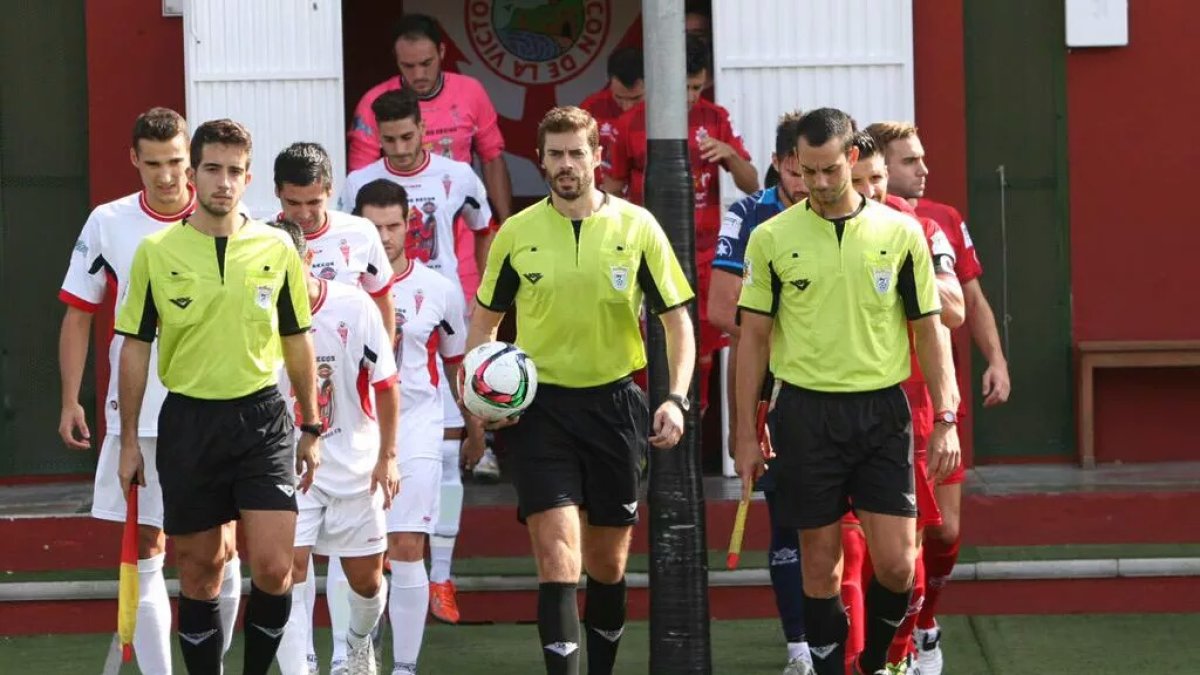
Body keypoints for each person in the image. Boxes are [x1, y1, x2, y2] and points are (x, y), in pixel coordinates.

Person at [468, 106, 695, 675]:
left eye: (577, 153)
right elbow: (484, 327)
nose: (566, 165)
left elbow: (678, 323)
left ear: (598, 157)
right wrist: (481, 403)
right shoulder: (516, 234)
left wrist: (676, 397)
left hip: (617, 407)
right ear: (541, 161)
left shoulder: (638, 226)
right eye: (555, 155)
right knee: (557, 558)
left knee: (607, 565)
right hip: (540, 412)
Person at [734, 108, 960, 675]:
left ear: (852, 158)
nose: (817, 182)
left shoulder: (900, 231)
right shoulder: (770, 238)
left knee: (898, 567)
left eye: (829, 169)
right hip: (804, 415)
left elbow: (931, 333)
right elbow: (753, 339)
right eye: (806, 172)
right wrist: (743, 435)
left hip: (883, 413)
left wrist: (948, 416)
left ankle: (878, 663)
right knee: (821, 569)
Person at [115, 118, 320, 675]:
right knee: (201, 570)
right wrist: (128, 441)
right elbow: (133, 349)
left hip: (263, 420)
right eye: (212, 169)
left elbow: (297, 337)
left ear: (248, 177)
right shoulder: (156, 252)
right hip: (189, 422)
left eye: (234, 171)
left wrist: (312, 425)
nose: (223, 182)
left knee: (277, 569)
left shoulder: (277, 248)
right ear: (192, 173)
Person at [341, 88, 493, 624]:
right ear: (375, 138)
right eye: (389, 140)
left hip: (437, 316)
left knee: (449, 467)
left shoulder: (457, 175)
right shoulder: (356, 187)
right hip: (378, 327)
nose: (401, 149)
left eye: (409, 137)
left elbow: (482, 230)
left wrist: (478, 294)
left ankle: (441, 575)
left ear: (424, 130)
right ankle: (379, 584)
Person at [58, 107, 200, 675]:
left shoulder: (227, 216)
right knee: (146, 546)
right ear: (134, 161)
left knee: (214, 551)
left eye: (177, 163)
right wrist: (71, 398)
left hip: (216, 407)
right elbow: (78, 313)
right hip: (138, 413)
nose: (167, 176)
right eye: (155, 164)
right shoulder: (108, 222)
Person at [867, 121, 1012, 675]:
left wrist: (995, 359)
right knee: (896, 539)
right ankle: (889, 645)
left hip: (935, 399)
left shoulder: (943, 220)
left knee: (945, 532)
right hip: (877, 402)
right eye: (908, 161)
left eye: (921, 158)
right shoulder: (853, 225)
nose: (922, 169)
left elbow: (968, 300)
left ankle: (923, 620)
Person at [273, 141, 397, 672]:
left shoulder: (358, 246)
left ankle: (356, 644)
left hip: (353, 438)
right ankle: (299, 663)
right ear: (277, 197)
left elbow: (382, 311)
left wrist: (373, 372)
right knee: (288, 567)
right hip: (285, 448)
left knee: (366, 578)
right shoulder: (258, 243)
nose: (304, 213)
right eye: (293, 203)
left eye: (314, 203)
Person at [846, 131, 965, 673]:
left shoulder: (920, 226)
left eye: (876, 179)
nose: (870, 190)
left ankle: (901, 652)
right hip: (832, 408)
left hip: (907, 408)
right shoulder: (807, 228)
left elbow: (956, 307)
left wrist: (897, 267)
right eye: (859, 181)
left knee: (910, 549)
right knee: (844, 556)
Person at [354, 179, 475, 675]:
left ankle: (404, 666)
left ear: (410, 225)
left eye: (393, 225)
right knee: (358, 555)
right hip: (355, 430)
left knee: (406, 546)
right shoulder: (336, 286)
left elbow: (456, 365)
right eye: (373, 226)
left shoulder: (439, 289)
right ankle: (354, 654)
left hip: (419, 426)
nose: (383, 236)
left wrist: (475, 427)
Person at [708, 110, 813, 675]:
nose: (807, 183)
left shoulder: (844, 210)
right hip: (771, 385)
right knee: (787, 515)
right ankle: (799, 646)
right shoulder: (748, 214)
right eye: (797, 171)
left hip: (839, 387)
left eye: (817, 170)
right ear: (777, 164)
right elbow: (722, 310)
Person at [606, 33, 757, 413]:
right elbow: (611, 189)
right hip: (648, 253)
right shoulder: (632, 123)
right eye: (683, 86)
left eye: (697, 86)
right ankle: (645, 432)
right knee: (646, 343)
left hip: (705, 255)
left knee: (702, 349)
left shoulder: (716, 118)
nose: (691, 95)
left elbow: (752, 182)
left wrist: (728, 155)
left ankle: (691, 422)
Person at [347, 12, 512, 307]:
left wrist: (510, 225)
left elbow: (493, 158)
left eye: (426, 63)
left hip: (457, 233)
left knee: (461, 326)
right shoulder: (375, 103)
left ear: (442, 53)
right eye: (407, 66)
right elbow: (360, 186)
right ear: (396, 61)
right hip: (393, 236)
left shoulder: (470, 92)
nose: (419, 75)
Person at [579, 47, 645, 187]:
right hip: (600, 197)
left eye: (636, 98)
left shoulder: (664, 114)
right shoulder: (591, 108)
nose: (627, 106)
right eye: (619, 97)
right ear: (608, 80)